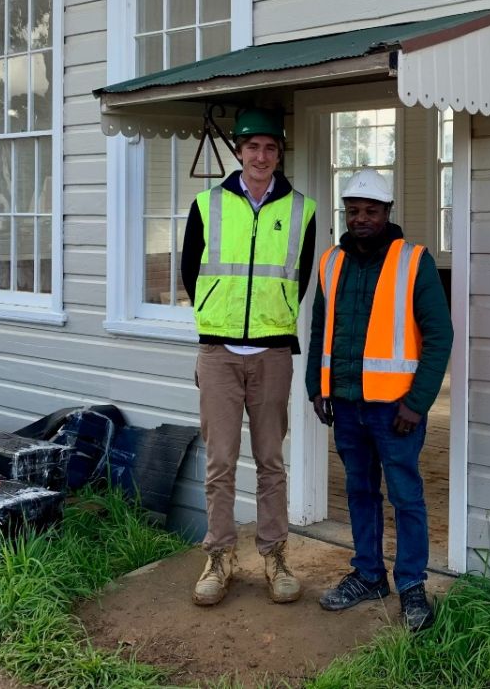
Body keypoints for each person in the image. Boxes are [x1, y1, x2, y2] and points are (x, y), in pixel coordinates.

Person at [180, 107, 316, 606]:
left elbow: (297, 280)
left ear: (280, 154)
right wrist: (220, 316)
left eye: (270, 148)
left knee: (270, 461)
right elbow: (189, 273)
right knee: (219, 462)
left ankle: (275, 555)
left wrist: (268, 318)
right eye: (252, 146)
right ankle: (218, 556)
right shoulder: (207, 204)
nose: (261, 156)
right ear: (238, 151)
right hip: (218, 351)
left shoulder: (302, 209)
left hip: (272, 352)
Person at [307, 168, 454, 631]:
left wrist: (418, 402)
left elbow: (440, 334)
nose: (361, 218)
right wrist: (318, 386)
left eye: (370, 210)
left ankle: (412, 585)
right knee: (360, 490)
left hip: (396, 410)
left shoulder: (414, 261)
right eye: (353, 211)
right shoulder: (330, 262)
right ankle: (369, 574)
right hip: (347, 404)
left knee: (406, 495)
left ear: (387, 212)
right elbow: (319, 330)